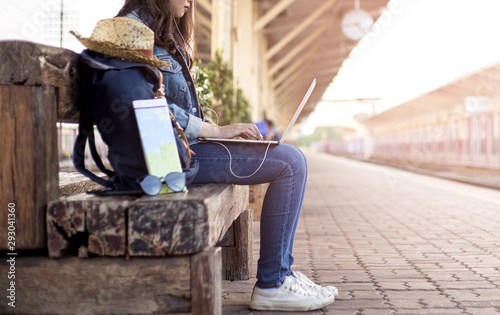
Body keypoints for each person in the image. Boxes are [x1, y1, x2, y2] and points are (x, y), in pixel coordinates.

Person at [115, 0, 338, 311]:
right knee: (290, 163)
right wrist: (217, 131)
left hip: (177, 151)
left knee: (288, 158)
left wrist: (218, 130)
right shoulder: (131, 30)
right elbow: (143, 105)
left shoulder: (158, 28)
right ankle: (274, 282)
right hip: (159, 161)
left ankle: (281, 274)